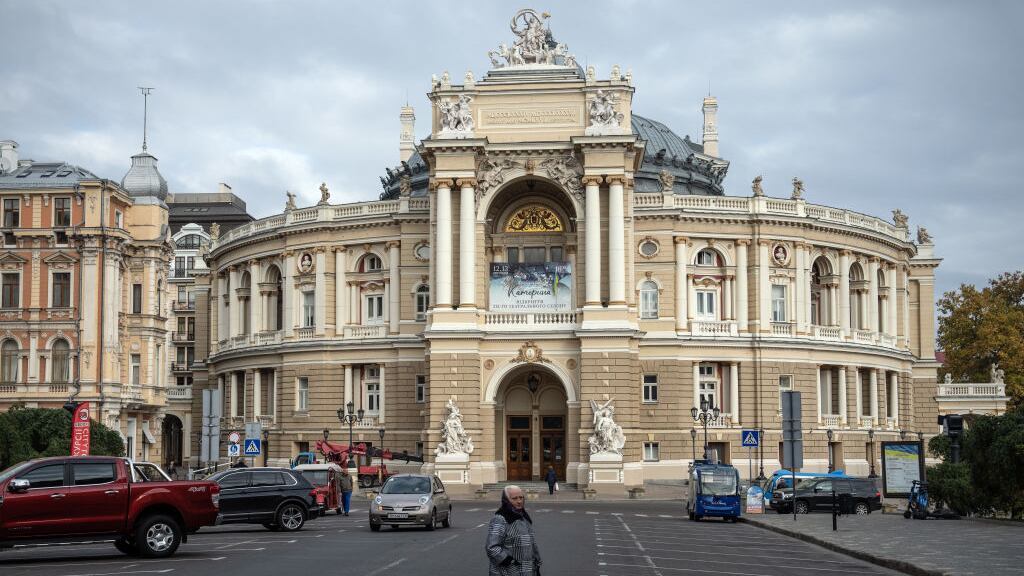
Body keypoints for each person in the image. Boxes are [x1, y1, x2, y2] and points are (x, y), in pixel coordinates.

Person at [486, 485, 542, 576]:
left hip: (527, 570)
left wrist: (537, 563)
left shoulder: (523, 517)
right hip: (507, 572)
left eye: (521, 497)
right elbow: (491, 547)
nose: (519, 501)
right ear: (506, 500)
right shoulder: (500, 519)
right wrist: (509, 561)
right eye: (514, 498)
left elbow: (531, 544)